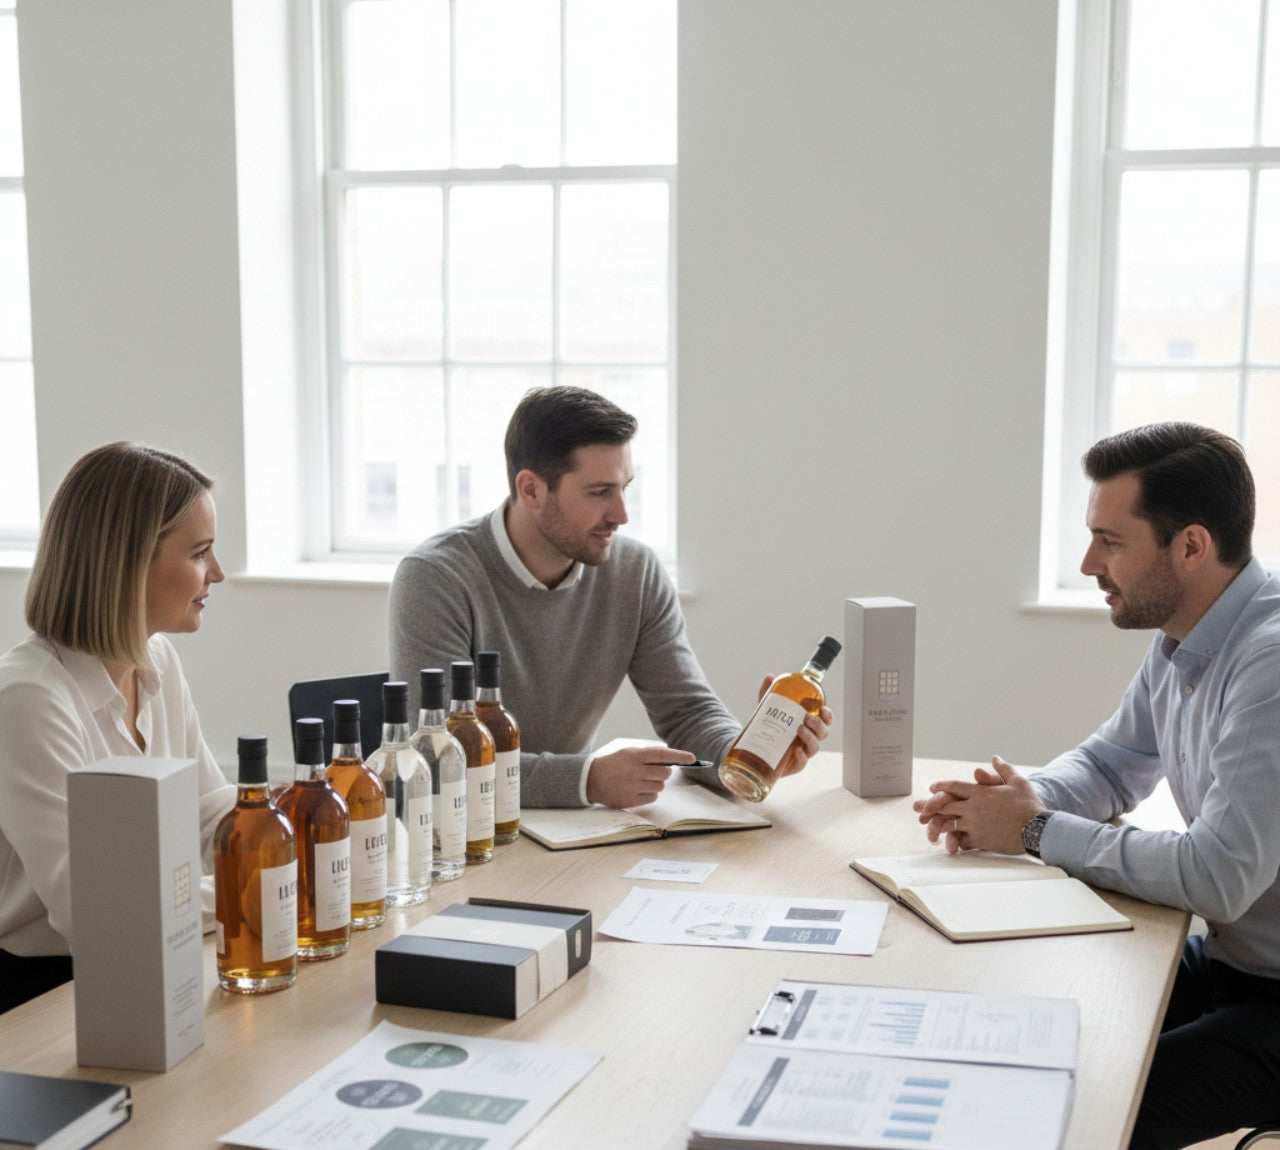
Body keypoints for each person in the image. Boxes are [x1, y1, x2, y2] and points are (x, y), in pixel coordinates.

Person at [914, 422, 1280, 1150]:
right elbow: (1112, 764)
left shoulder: (1268, 665)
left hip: (1271, 998)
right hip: (1237, 964)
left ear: (1191, 546)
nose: (1088, 563)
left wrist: (1034, 829)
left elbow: (1217, 878)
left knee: (1074, 1120)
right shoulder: (1185, 635)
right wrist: (1008, 801)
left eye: (1110, 541)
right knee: (1030, 1035)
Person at [389, 385, 832, 809]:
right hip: (455, 834)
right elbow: (440, 758)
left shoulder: (634, 573)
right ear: (531, 490)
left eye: (625, 488)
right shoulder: (436, 578)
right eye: (600, 492)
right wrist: (589, 779)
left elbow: (688, 713)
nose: (621, 515)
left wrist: (747, 758)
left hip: (570, 833)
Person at [0, 443, 236, 1014]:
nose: (218, 574)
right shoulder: (29, 698)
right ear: (128, 563)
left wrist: (294, 834)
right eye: (200, 553)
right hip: (40, 994)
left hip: (155, 951)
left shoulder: (155, 658)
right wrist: (246, 890)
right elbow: (94, 914)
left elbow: (210, 815)